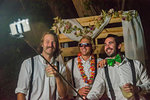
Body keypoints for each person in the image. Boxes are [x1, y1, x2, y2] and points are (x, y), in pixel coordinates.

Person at [86, 34, 150, 100]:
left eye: (110, 43)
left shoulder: (136, 64)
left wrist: (137, 88)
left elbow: (148, 85)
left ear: (119, 46)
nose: (107, 46)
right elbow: (95, 92)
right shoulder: (103, 70)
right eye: (105, 44)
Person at [15, 31, 67, 100]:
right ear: (42, 44)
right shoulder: (28, 64)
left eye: (53, 42)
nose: (50, 45)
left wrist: (57, 76)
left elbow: (63, 95)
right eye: (47, 41)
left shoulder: (61, 67)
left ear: (56, 45)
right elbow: (21, 93)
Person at [66, 35, 105, 100]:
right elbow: (65, 85)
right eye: (81, 45)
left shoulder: (99, 62)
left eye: (86, 44)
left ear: (91, 46)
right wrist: (77, 91)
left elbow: (102, 83)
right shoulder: (70, 64)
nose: (83, 47)